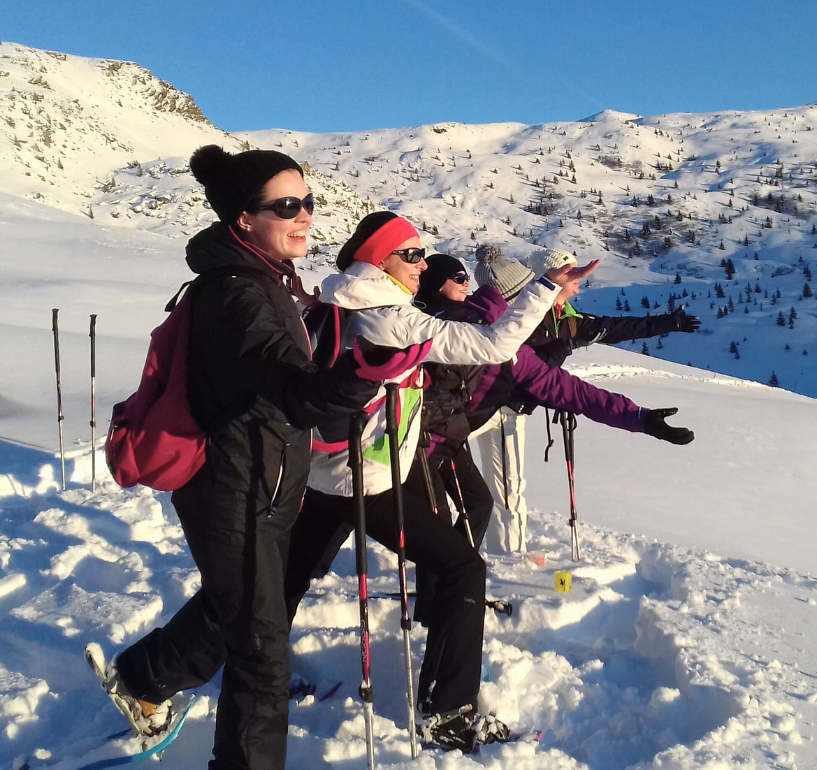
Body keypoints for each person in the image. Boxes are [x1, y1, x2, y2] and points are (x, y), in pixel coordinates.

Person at [86, 145, 385, 770]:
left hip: (262, 484)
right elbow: (291, 386)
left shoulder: (266, 279)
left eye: (308, 202)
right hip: (235, 489)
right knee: (262, 654)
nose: (305, 216)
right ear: (244, 219)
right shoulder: (239, 296)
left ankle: (143, 679)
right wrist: (355, 378)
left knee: (241, 608)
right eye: (287, 206)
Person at [281, 212, 598, 752]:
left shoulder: (333, 303)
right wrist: (548, 286)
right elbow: (496, 344)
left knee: (284, 574)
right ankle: (447, 714)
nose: (422, 264)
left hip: (327, 471)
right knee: (461, 568)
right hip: (368, 478)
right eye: (411, 254)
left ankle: (174, 671)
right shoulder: (391, 319)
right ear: (378, 261)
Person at [412, 253, 694, 558]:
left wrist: (639, 416)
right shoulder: (467, 331)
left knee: (479, 504)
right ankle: (474, 568)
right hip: (421, 437)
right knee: (464, 510)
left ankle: (460, 573)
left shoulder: (530, 335)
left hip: (452, 431)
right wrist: (639, 418)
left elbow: (568, 381)